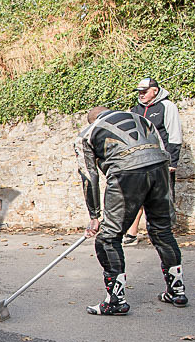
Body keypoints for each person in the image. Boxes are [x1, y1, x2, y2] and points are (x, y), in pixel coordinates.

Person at [74, 106, 187, 315]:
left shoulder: (88, 133)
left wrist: (95, 216)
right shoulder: (142, 119)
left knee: (108, 237)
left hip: (126, 172)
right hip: (159, 168)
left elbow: (89, 177)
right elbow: (164, 152)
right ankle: (176, 291)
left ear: (92, 120)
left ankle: (116, 300)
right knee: (162, 231)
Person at [123, 77, 183, 246]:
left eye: (145, 91)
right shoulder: (134, 110)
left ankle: (163, 233)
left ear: (154, 91)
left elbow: (174, 134)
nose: (141, 95)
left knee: (162, 197)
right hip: (140, 161)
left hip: (161, 159)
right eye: (139, 92)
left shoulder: (167, 107)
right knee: (136, 196)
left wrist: (172, 161)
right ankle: (132, 233)